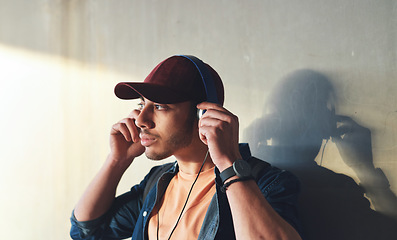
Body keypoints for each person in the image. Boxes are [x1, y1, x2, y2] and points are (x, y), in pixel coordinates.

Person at [70, 55, 303, 240]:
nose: (141, 119)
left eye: (160, 106)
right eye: (142, 105)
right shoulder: (157, 182)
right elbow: (86, 231)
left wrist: (229, 164)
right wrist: (117, 161)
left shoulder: (267, 184)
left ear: (203, 113)